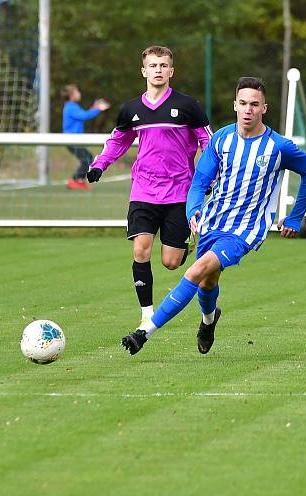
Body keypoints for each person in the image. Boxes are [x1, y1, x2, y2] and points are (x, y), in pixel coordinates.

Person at [120, 76, 306, 357]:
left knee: (195, 270)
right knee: (207, 282)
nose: (248, 109)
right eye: (243, 103)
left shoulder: (279, 146)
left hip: (246, 230)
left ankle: (144, 333)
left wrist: (295, 217)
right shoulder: (222, 139)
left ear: (265, 108)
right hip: (213, 222)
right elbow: (200, 181)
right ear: (234, 105)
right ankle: (209, 321)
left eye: (254, 104)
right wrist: (193, 211)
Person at [86, 45, 212, 328]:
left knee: (171, 261)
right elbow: (118, 141)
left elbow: (208, 142)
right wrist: (99, 165)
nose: (158, 70)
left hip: (180, 191)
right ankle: (146, 314)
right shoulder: (132, 109)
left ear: (171, 71)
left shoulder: (189, 106)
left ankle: (184, 245)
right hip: (144, 189)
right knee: (141, 248)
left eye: (163, 65)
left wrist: (209, 175)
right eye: (153, 66)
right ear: (144, 71)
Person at [61, 84, 110, 190]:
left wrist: (94, 107)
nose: (79, 93)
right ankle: (75, 180)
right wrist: (98, 109)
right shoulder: (70, 107)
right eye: (77, 91)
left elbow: (83, 114)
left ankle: (77, 180)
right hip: (71, 140)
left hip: (75, 140)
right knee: (86, 160)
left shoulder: (72, 106)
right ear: (71, 95)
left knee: (87, 158)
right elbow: (85, 116)